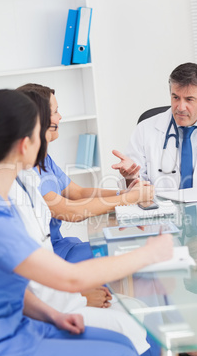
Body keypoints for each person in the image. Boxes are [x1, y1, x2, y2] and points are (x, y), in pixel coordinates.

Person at [0, 89, 175, 356]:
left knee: (121, 345)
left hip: (27, 325)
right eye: (40, 131)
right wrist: (150, 252)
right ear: (24, 144)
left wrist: (53, 314)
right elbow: (69, 279)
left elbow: (13, 284)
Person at [17, 83, 154, 263]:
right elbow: (70, 211)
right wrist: (129, 199)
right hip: (44, 257)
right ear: (39, 119)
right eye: (55, 112)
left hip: (58, 246)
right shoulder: (25, 169)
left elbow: (78, 193)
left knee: (130, 248)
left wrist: (125, 193)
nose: (60, 117)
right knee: (129, 255)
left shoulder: (44, 160)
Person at [112, 62, 197, 190]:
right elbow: (134, 185)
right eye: (175, 97)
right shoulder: (145, 130)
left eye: (189, 99)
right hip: (162, 210)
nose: (180, 107)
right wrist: (131, 177)